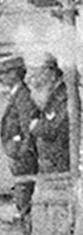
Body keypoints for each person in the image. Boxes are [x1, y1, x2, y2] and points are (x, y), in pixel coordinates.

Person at [0, 54, 37, 235]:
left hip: (23, 158)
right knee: (22, 199)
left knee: (25, 200)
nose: (1, 77)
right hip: (17, 156)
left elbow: (26, 129)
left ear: (16, 74)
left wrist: (21, 153)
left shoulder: (22, 96)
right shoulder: (16, 94)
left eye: (5, 72)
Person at [29, 52, 71, 183]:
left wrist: (35, 126)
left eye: (40, 72)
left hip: (61, 164)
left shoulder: (64, 97)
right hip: (51, 164)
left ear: (52, 75)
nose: (37, 78)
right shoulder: (51, 96)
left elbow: (56, 128)